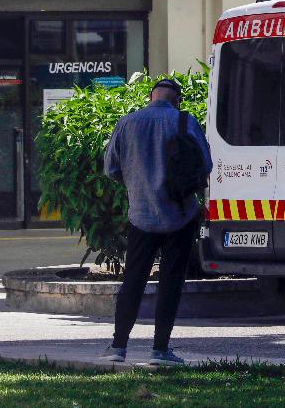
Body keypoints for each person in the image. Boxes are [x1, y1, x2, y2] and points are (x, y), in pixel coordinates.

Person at [102, 78, 211, 366]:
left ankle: (118, 346)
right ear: (177, 100)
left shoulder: (127, 123)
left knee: (133, 281)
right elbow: (206, 165)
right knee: (170, 282)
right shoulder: (185, 122)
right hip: (180, 215)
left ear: (151, 97)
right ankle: (160, 350)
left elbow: (111, 168)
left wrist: (139, 183)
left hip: (141, 215)